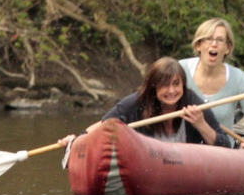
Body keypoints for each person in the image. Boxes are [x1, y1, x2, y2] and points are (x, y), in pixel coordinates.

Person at [58, 57, 233, 148]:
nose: (171, 91)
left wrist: (201, 124)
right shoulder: (137, 102)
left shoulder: (191, 101)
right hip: (150, 163)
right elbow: (105, 124)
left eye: (176, 84)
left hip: (186, 168)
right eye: (164, 85)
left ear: (183, 84)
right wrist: (78, 139)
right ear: (153, 87)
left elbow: (225, 145)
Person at [179, 18, 244, 151]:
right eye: (208, 39)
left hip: (222, 152)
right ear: (198, 45)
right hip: (182, 149)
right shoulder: (180, 70)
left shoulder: (239, 79)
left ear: (227, 48)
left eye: (220, 40)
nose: (214, 44)